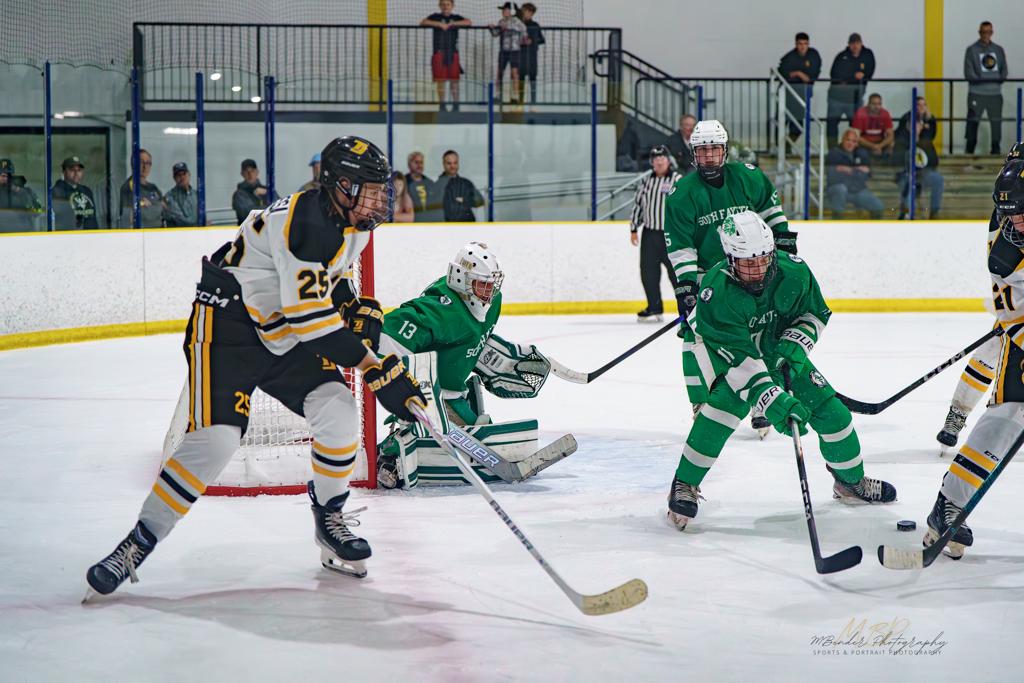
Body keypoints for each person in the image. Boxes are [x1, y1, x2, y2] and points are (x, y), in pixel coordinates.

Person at [84, 136, 428, 598]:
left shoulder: (353, 222)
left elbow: (329, 276)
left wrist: (350, 303)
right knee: (216, 441)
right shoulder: (307, 222)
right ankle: (138, 542)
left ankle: (329, 519)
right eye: (369, 190)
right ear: (341, 187)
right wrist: (375, 367)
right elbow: (313, 325)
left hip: (280, 328)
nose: (378, 200)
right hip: (228, 326)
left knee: (338, 409)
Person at [666, 210, 896, 529]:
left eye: (763, 260)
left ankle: (850, 482)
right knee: (720, 414)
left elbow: (814, 314)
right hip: (733, 359)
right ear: (730, 259)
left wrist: (794, 346)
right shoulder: (716, 293)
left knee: (834, 415)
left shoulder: (794, 272)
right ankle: (684, 484)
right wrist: (773, 401)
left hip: (779, 351)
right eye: (748, 264)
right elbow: (740, 361)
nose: (758, 270)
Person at [376, 242, 569, 488]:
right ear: (461, 279)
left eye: (492, 285)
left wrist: (494, 358)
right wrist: (408, 382)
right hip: (435, 397)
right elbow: (385, 334)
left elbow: (469, 338)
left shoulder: (492, 302)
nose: (489, 292)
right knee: (484, 442)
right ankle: (392, 451)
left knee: (484, 436)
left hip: (458, 392)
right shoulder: (442, 311)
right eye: (482, 284)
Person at [916, 159, 1024, 560]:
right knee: (1010, 414)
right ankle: (949, 504)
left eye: (1022, 214)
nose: (1016, 225)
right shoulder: (1006, 255)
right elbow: (1014, 317)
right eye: (1010, 216)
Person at [664, 120, 796, 437]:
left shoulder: (749, 177)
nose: (708, 156)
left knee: (762, 332)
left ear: (724, 150)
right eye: (702, 150)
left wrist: (784, 253)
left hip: (754, 269)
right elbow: (681, 247)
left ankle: (762, 403)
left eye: (714, 149)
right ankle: (701, 402)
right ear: (693, 153)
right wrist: (687, 287)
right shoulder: (682, 194)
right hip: (710, 277)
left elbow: (773, 216)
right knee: (694, 335)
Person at [933, 142, 1024, 455]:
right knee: (995, 347)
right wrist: (1013, 323)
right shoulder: (1003, 248)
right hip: (1019, 295)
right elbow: (1010, 301)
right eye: (1010, 215)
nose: (1015, 223)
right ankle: (958, 413)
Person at [630, 146, 683, 321]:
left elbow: (686, 204)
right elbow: (638, 205)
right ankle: (654, 307)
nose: (659, 161)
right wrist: (633, 229)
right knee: (648, 272)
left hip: (671, 234)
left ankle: (686, 307)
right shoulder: (646, 182)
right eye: (656, 159)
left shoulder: (677, 180)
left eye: (662, 158)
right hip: (650, 234)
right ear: (652, 162)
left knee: (677, 273)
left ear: (668, 161)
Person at [895, 97, 944, 220]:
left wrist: (918, 136)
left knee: (938, 179)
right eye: (918, 104)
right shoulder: (903, 139)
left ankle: (934, 212)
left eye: (924, 105)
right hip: (906, 173)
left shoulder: (926, 138)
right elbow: (900, 158)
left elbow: (933, 159)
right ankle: (906, 214)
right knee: (908, 184)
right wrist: (914, 135)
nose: (921, 107)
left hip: (925, 172)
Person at [964, 21, 1008, 155]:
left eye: (988, 32)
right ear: (979, 33)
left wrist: (996, 80)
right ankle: (969, 152)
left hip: (995, 94)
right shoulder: (971, 50)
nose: (986, 35)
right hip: (976, 93)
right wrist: (986, 80)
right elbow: (968, 73)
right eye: (983, 32)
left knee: (996, 123)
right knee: (972, 122)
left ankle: (995, 150)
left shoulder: (998, 50)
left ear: (992, 33)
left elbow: (1004, 71)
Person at [421, 0, 471, 112]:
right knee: (440, 80)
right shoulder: (435, 16)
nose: (445, 7)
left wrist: (453, 24)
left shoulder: (456, 17)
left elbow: (468, 22)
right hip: (439, 52)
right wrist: (439, 24)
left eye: (448, 4)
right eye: (443, 4)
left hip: (453, 53)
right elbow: (423, 22)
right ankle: (442, 105)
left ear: (452, 6)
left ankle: (456, 105)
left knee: (454, 81)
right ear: (440, 6)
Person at [826, 33, 876, 146]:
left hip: (856, 99)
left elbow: (870, 71)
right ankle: (832, 150)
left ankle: (854, 150)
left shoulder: (867, 55)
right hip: (836, 98)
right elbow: (835, 75)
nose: (855, 46)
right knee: (832, 125)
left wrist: (859, 76)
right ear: (848, 45)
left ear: (861, 43)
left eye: (857, 43)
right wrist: (853, 76)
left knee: (857, 127)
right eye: (852, 43)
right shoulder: (841, 56)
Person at [826, 129, 883, 220]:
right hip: (837, 189)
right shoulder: (833, 153)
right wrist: (857, 170)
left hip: (856, 189)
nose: (850, 143)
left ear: (857, 143)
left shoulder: (861, 153)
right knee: (840, 188)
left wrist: (848, 170)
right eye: (848, 140)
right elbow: (833, 177)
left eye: (854, 141)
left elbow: (867, 175)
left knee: (878, 206)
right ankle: (837, 222)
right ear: (842, 140)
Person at [777, 32, 821, 140]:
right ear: (796, 44)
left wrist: (799, 75)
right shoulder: (789, 57)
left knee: (798, 126)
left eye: (805, 44)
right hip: (788, 95)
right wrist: (798, 73)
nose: (802, 47)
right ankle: (779, 145)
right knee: (781, 121)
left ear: (808, 44)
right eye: (800, 44)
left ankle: (787, 145)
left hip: (803, 95)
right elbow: (781, 72)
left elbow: (814, 73)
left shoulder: (813, 55)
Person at [489, 2, 527, 104]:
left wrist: (508, 28)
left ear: (512, 11)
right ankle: (498, 95)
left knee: (514, 73)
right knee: (499, 73)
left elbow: (523, 31)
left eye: (505, 10)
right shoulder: (501, 21)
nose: (503, 12)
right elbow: (496, 34)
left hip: (514, 50)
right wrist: (492, 28)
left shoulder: (517, 21)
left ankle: (515, 96)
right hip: (504, 50)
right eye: (503, 10)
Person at [119, 149, 163, 228]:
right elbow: (131, 215)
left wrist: (153, 207)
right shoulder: (128, 188)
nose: (145, 166)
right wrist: (157, 207)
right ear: (133, 163)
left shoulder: (153, 188)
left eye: (148, 163)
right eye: (141, 162)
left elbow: (165, 211)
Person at [50, 156, 98, 230]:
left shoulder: (87, 191)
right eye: (72, 170)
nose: (76, 173)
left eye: (79, 170)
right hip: (69, 235)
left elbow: (93, 218)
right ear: (63, 172)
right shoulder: (57, 192)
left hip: (91, 235)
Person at [436, 150, 484, 222]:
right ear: (443, 164)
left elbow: (480, 201)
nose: (452, 166)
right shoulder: (436, 186)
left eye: (455, 163)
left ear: (458, 164)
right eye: (449, 163)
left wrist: (464, 200)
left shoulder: (466, 183)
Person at [0, 158, 42, 231]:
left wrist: (19, 191)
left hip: (22, 235)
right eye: (2, 175)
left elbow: (38, 211)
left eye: (9, 175)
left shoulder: (26, 191)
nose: (5, 178)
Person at [851, 93, 895, 161]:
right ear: (868, 104)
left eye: (879, 104)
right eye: (874, 104)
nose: (877, 107)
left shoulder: (885, 113)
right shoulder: (860, 113)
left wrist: (879, 146)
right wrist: (873, 146)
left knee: (891, 150)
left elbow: (891, 136)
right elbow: (856, 136)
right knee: (862, 154)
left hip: (880, 143)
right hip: (865, 144)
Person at [518, 3, 545, 105]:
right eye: (524, 11)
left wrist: (532, 41)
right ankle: (520, 101)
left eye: (528, 11)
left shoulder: (535, 25)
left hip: (532, 56)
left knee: (532, 78)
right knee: (521, 78)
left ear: (532, 13)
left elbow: (542, 39)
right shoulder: (518, 24)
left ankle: (533, 102)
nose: (526, 13)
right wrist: (520, 41)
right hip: (520, 55)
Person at [405, 151, 442, 222]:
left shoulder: (430, 183)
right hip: (410, 222)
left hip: (427, 221)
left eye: (421, 162)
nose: (419, 165)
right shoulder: (403, 183)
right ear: (409, 164)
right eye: (416, 162)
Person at [232, 158, 270, 224]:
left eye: (252, 171)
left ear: (257, 172)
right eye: (246, 172)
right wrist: (269, 209)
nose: (250, 174)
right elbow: (248, 215)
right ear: (242, 174)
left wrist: (267, 194)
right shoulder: (239, 194)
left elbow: (281, 206)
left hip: (268, 227)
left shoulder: (267, 190)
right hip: (248, 229)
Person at [163, 162, 199, 228]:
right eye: (178, 175)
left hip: (197, 232)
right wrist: (201, 224)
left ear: (189, 174)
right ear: (174, 178)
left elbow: (202, 214)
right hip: (178, 234)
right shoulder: (170, 197)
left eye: (184, 173)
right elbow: (181, 221)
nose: (182, 177)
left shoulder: (196, 194)